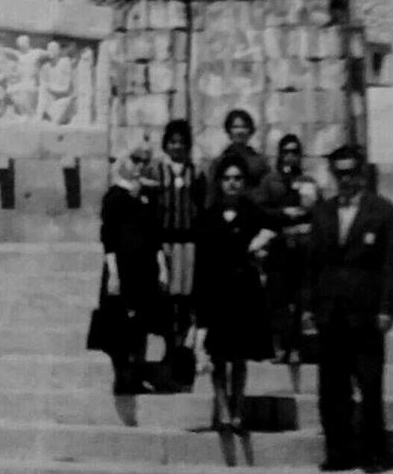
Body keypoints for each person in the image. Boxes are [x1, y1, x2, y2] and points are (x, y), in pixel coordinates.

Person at [308, 144, 393, 473]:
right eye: (340, 173)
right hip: (331, 312)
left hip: (366, 313)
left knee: (370, 384)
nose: (346, 179)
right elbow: (312, 264)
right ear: (333, 176)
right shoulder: (322, 212)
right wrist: (309, 307)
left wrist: (387, 308)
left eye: (352, 172)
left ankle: (374, 454)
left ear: (362, 174)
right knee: (332, 388)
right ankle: (338, 452)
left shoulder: (382, 212)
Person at [193, 154, 276, 432]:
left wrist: (262, 245)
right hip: (217, 291)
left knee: (239, 357)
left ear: (244, 182)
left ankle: (238, 409)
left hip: (243, 292)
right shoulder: (208, 217)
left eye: (237, 179)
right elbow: (202, 264)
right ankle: (223, 411)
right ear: (219, 182)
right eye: (227, 179)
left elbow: (273, 232)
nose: (232, 184)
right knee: (218, 356)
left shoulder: (253, 214)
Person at [99, 147, 168, 395]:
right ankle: (121, 374)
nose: (140, 165)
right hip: (122, 266)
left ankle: (137, 373)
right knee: (118, 324)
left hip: (144, 267)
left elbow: (154, 235)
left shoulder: (147, 197)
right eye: (135, 160)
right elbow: (108, 238)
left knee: (141, 323)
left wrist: (162, 267)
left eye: (144, 161)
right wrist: (113, 273)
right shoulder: (114, 196)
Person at [258, 134, 321, 363]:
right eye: (286, 151)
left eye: (295, 152)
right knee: (277, 298)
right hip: (278, 245)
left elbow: (319, 211)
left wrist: (307, 214)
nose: (290, 156)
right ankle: (280, 346)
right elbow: (261, 210)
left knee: (299, 298)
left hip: (301, 246)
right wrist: (283, 214)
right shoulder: (270, 181)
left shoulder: (308, 181)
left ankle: (295, 347)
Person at [156, 119, 208, 359]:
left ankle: (183, 345)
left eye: (181, 142)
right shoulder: (157, 171)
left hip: (189, 239)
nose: (177, 147)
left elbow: (202, 205)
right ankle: (169, 344)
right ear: (166, 145)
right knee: (167, 295)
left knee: (186, 294)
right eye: (172, 142)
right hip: (165, 238)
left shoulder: (195, 172)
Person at [211, 109, 269, 198]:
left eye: (244, 127)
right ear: (228, 131)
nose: (240, 131)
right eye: (235, 127)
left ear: (250, 131)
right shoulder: (219, 162)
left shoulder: (260, 163)